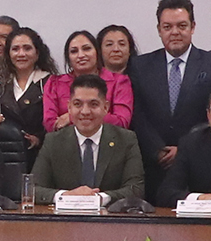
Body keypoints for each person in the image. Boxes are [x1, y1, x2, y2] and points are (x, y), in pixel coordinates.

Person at [130, 0, 211, 190]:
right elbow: (137, 115)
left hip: (199, 166)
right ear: (159, 30)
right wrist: (157, 150)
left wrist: (184, 149)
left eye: (182, 26)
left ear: (193, 27)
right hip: (152, 167)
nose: (175, 32)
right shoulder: (140, 66)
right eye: (167, 27)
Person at [28, 75, 144, 207]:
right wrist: (66, 196)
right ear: (69, 107)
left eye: (93, 104)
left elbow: (136, 189)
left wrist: (98, 198)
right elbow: (34, 189)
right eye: (78, 104)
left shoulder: (126, 140)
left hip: (109, 217)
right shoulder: (54, 141)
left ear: (105, 107)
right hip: (66, 217)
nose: (85, 111)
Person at [42, 29, 130, 132]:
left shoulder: (119, 82)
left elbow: (122, 122)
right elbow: (51, 124)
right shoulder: (54, 83)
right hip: (66, 140)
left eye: (87, 49)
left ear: (97, 52)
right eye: (74, 51)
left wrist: (71, 117)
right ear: (68, 58)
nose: (81, 55)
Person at [0, 27, 53, 149]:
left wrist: (39, 139)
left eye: (27, 48)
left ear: (37, 53)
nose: (21, 54)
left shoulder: (50, 82)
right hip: (5, 153)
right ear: (8, 54)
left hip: (41, 153)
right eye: (15, 49)